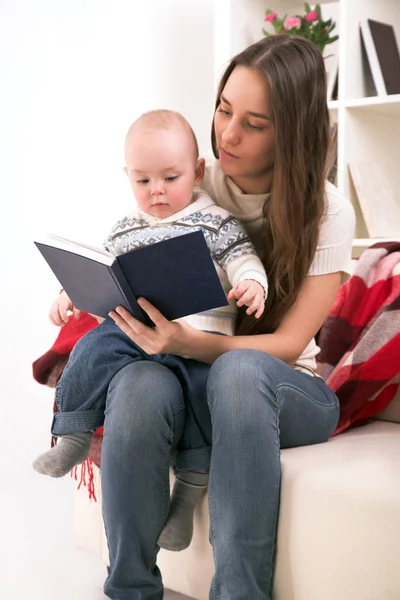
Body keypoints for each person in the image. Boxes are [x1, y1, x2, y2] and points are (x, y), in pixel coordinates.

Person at [47, 34, 355, 599]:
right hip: (191, 372)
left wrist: (191, 345)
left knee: (237, 374)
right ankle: (130, 587)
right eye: (223, 109)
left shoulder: (326, 211)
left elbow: (288, 344)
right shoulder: (188, 182)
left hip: (288, 389)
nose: (228, 133)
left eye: (255, 123)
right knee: (138, 383)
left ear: (292, 131)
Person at [33, 109, 268, 552]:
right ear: (128, 177)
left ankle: (185, 503)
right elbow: (103, 271)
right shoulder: (125, 228)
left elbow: (243, 258)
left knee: (201, 404)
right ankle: (74, 432)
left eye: (170, 177)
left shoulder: (215, 221)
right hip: (136, 335)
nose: (157, 190)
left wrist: (253, 283)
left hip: (198, 339)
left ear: (198, 172)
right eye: (143, 181)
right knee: (92, 347)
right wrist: (71, 292)